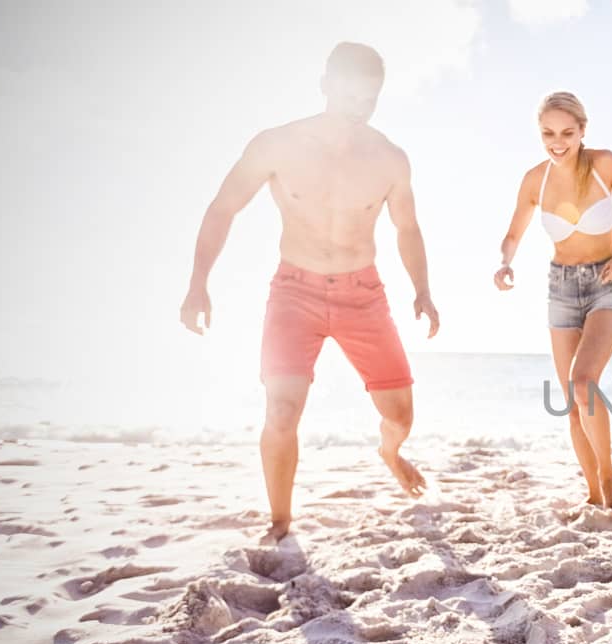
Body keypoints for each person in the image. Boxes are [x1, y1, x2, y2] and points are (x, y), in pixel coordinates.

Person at [177, 42, 440, 545]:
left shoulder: (389, 158)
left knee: (400, 415)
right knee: (281, 410)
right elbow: (222, 207)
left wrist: (422, 290)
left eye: (369, 99)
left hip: (364, 294)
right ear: (325, 84)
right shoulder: (276, 144)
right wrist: (198, 283)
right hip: (294, 290)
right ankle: (280, 520)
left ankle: (389, 452)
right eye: (349, 93)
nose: (358, 107)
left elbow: (407, 228)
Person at [494, 92, 612, 510]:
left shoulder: (604, 164)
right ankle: (591, 492)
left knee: (584, 383)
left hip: (607, 282)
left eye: (567, 132)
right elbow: (513, 234)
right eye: (548, 133)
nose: (557, 141)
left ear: (583, 131)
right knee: (573, 403)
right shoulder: (535, 180)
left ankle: (608, 476)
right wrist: (505, 263)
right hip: (561, 289)